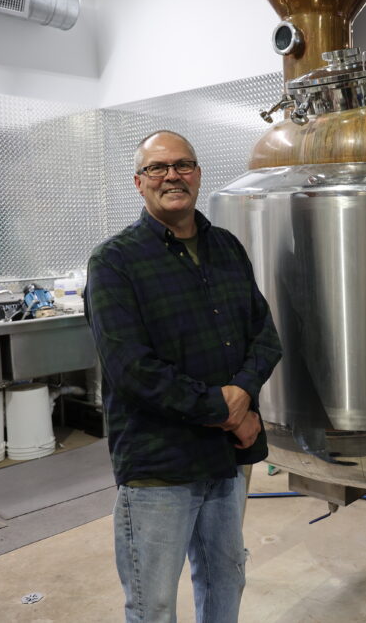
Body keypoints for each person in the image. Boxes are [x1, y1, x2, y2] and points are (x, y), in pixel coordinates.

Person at [84, 130, 282, 622]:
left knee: (225, 578)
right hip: (159, 462)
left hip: (225, 460)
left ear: (197, 174)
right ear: (139, 182)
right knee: (152, 601)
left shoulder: (226, 248)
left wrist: (241, 396)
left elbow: (265, 336)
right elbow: (133, 370)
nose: (172, 175)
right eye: (157, 167)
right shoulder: (115, 262)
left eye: (183, 165)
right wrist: (229, 413)